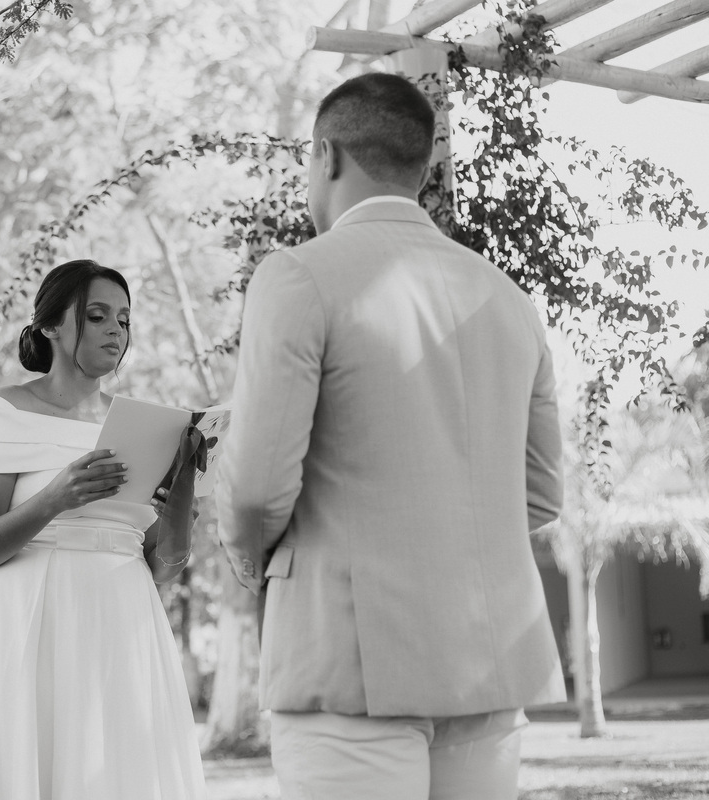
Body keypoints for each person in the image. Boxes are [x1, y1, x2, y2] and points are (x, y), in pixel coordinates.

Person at [216, 72, 566, 799]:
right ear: (424, 166)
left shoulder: (298, 276)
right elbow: (540, 494)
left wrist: (250, 563)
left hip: (348, 659)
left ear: (326, 156)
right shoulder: (508, 299)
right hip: (488, 663)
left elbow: (253, 491)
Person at [0, 260, 206, 800]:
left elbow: (163, 568)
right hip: (32, 618)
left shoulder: (147, 426)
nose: (115, 331)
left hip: (125, 622)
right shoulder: (7, 410)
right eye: (97, 316)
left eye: (123, 320)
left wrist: (181, 500)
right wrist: (56, 498)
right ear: (50, 326)